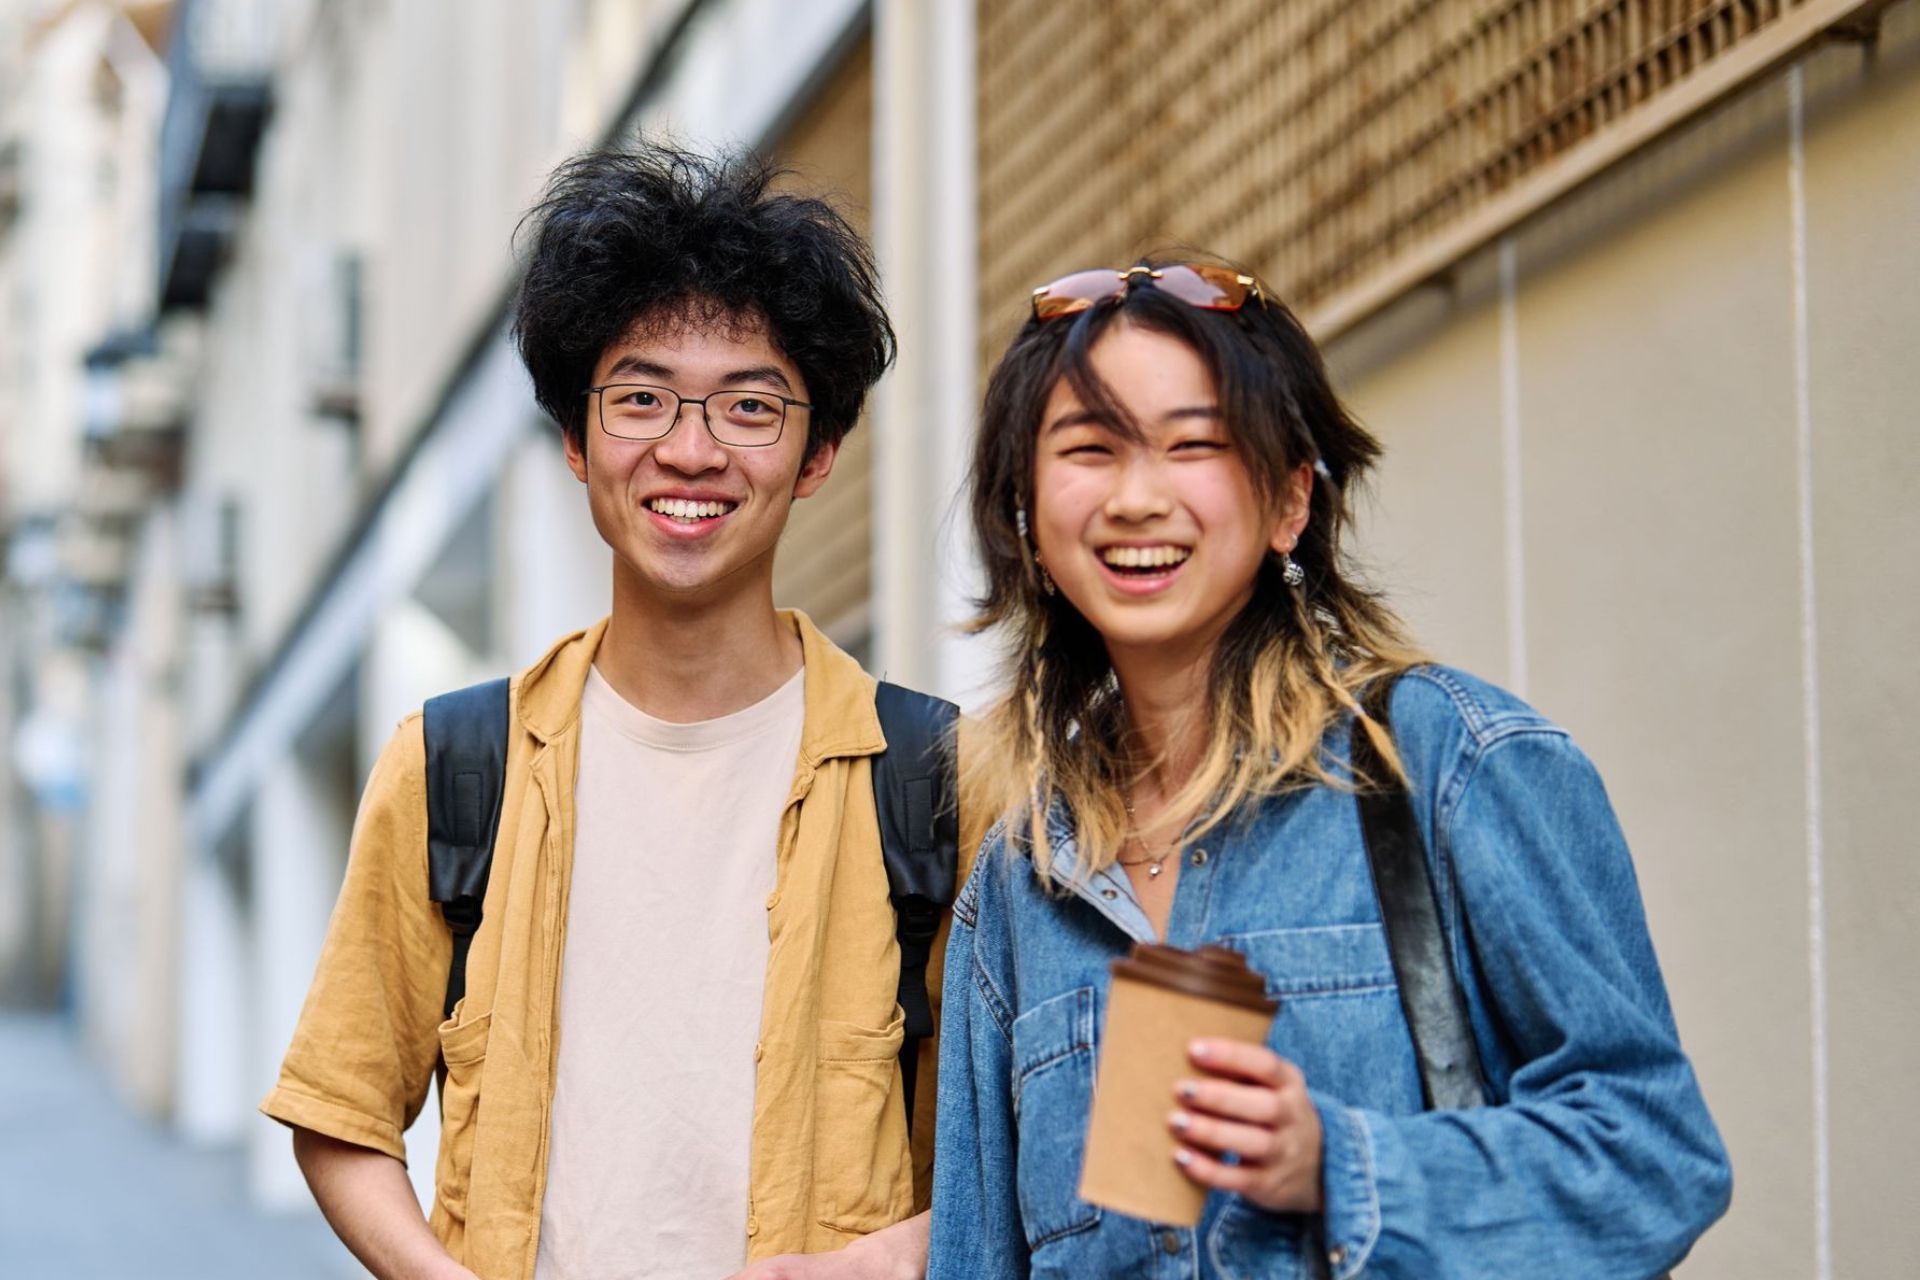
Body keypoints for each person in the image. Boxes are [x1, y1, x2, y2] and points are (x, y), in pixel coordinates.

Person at [927, 261, 1732, 1277]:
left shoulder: (1450, 763)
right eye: (1091, 448)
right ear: (1027, 518)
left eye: (1195, 444)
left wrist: (1338, 1163)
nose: (1137, 496)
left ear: (1289, 499)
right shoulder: (1020, 881)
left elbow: (1656, 1156)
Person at [262, 143, 982, 1280]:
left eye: (751, 405)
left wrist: (880, 1262)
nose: (689, 451)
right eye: (641, 397)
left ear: (818, 454)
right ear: (574, 437)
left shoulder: (942, 777)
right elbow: (342, 1109)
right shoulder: (457, 764)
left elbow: (1040, 1146)